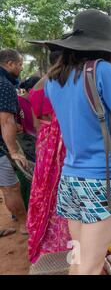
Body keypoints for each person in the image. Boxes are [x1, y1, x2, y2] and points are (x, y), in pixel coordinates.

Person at [37, 9, 111, 274]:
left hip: (70, 178)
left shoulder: (53, 79)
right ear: (103, 45)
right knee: (91, 266)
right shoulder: (102, 70)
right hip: (101, 180)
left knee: (78, 258)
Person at [26, 50, 72, 264]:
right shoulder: (62, 82)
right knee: (61, 190)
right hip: (60, 144)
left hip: (44, 143)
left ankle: (41, 239)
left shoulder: (36, 86)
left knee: (43, 189)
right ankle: (61, 242)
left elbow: (36, 124)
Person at [0, 49, 28, 238]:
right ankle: (25, 224)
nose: (21, 67)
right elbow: (6, 120)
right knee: (11, 187)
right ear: (10, 64)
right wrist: (13, 150)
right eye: (19, 64)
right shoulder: (4, 85)